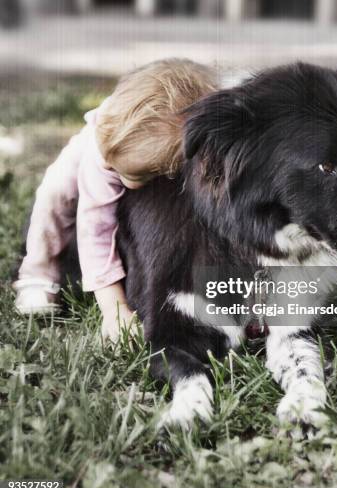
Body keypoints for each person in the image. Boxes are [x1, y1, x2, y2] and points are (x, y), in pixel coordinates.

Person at [13, 59, 217, 341]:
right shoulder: (105, 158)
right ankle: (38, 271)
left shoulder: (181, 135)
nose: (128, 182)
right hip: (94, 145)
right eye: (121, 173)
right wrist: (114, 308)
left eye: (140, 174)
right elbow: (94, 231)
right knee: (54, 192)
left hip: (130, 143)